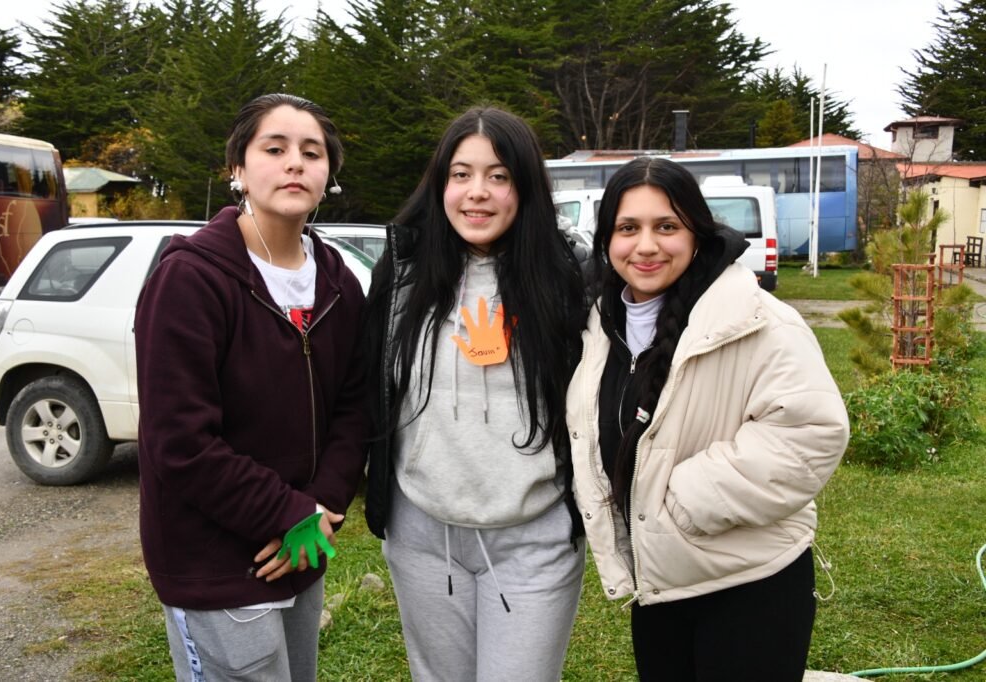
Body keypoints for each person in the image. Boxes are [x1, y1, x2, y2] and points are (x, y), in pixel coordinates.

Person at [567, 157, 849, 682]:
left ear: (697, 234)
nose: (645, 246)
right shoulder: (599, 328)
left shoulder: (757, 320)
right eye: (628, 228)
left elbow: (809, 432)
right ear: (606, 240)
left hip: (749, 585)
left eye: (666, 227)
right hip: (660, 584)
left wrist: (681, 501)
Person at [135, 93, 368, 681]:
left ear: (328, 175)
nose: (295, 163)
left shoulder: (339, 282)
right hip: (213, 559)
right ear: (237, 168)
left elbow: (355, 406)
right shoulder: (190, 278)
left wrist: (324, 505)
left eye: (311, 153)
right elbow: (179, 439)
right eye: (275, 148)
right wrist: (283, 511)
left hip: (303, 544)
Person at [364, 106, 587, 681]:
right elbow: (364, 389)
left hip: (533, 536)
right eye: (461, 174)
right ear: (441, 184)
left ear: (525, 186)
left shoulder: (569, 279)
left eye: (498, 175)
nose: (477, 193)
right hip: (421, 537)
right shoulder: (401, 276)